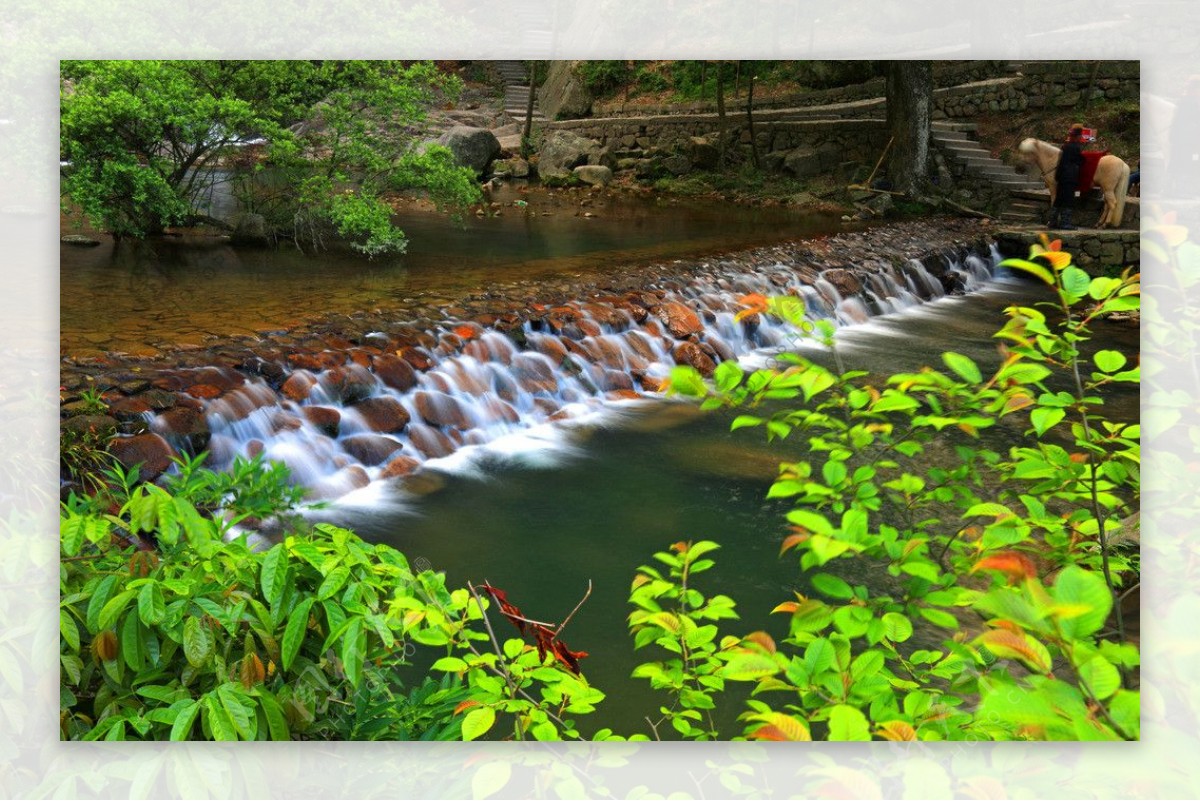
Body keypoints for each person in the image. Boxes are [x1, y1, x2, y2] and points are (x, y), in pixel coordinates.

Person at [1050, 124, 1085, 229]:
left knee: (1059, 199)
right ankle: (1065, 223)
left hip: (1061, 176)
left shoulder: (1065, 146)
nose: (1080, 138)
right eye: (1080, 136)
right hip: (1070, 176)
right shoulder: (1075, 147)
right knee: (1068, 200)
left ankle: (1053, 221)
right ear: (1077, 136)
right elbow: (1080, 161)